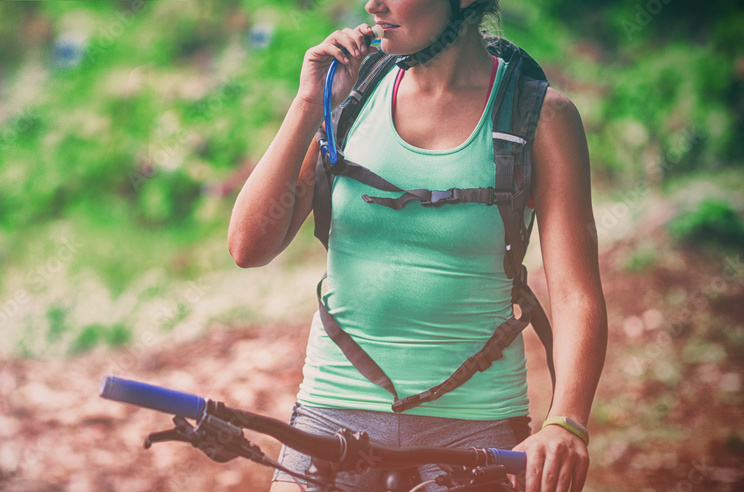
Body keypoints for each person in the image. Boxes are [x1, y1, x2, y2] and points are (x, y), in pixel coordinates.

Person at [228, 0, 608, 491]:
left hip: (475, 429)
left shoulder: (540, 116)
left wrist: (567, 422)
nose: (373, 4)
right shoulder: (348, 99)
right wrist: (308, 104)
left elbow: (577, 293)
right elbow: (248, 247)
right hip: (331, 417)